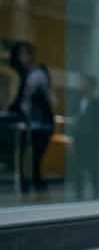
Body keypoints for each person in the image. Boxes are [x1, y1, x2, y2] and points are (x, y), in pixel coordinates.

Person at [7, 41, 55, 193]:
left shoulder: (36, 74)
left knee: (34, 157)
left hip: (39, 122)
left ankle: (34, 182)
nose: (23, 58)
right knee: (23, 155)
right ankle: (28, 183)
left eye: (25, 54)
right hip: (25, 121)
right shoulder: (20, 75)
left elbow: (44, 98)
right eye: (20, 54)